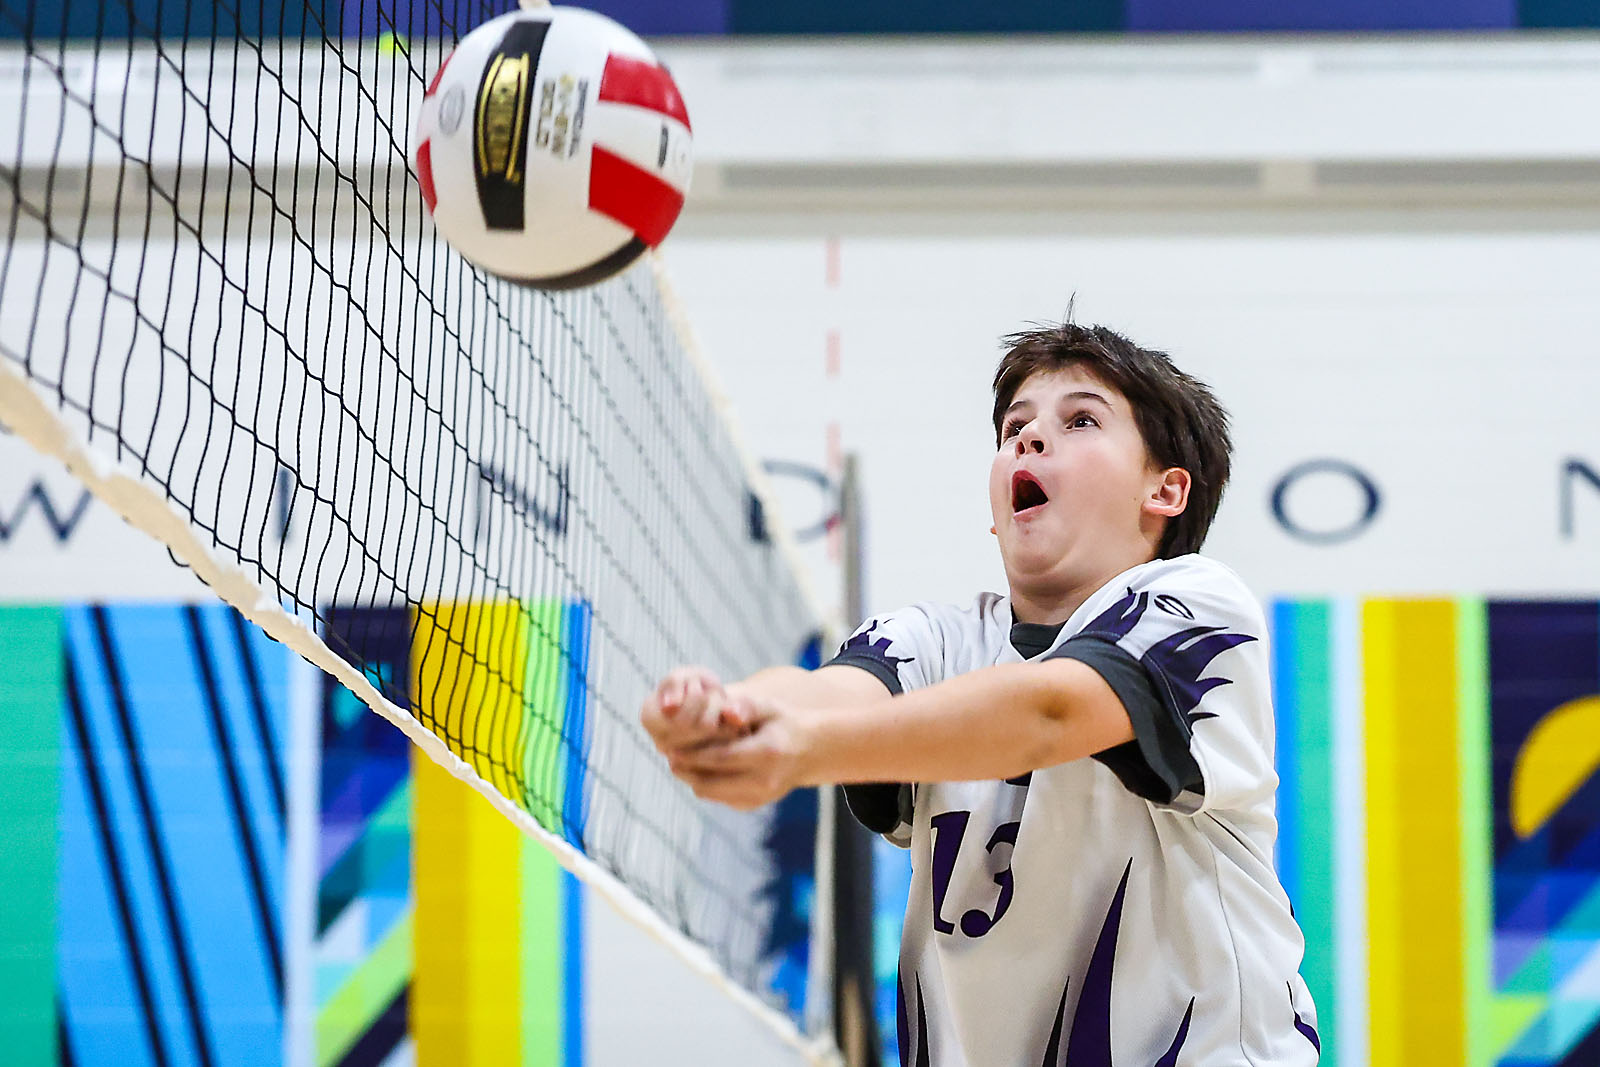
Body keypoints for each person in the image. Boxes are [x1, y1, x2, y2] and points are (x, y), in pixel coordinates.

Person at [640, 321, 1319, 1066]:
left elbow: (1050, 712)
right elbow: (825, 694)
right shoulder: (938, 639)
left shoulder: (1198, 607)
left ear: (1166, 490)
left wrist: (800, 749)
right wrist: (730, 715)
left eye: (1080, 420)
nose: (1029, 439)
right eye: (1014, 428)